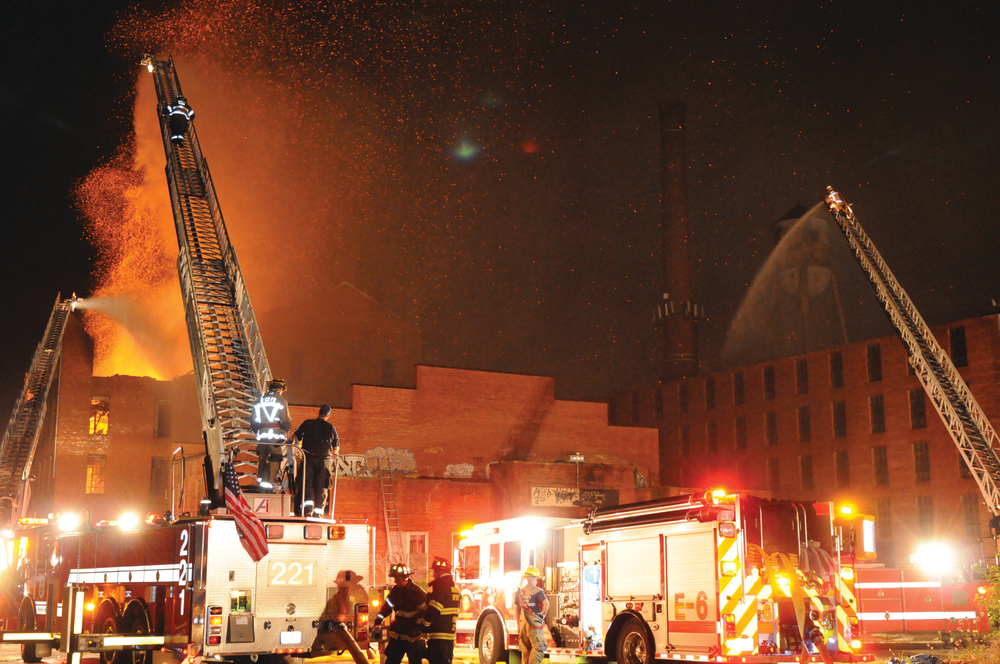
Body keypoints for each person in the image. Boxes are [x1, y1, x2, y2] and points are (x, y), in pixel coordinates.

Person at [289, 403, 339, 516]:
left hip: (308, 459)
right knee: (322, 486)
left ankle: (308, 509)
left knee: (307, 483)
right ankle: (318, 513)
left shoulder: (308, 423)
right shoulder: (331, 428)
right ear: (329, 415)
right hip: (324, 462)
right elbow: (336, 449)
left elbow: (293, 437)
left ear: (318, 412)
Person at [373, 564, 426, 664]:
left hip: (414, 636)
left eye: (396, 578)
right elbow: (387, 607)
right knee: (392, 661)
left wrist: (418, 627)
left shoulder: (417, 593)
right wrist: (378, 620)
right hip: (398, 634)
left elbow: (425, 612)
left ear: (404, 578)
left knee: (415, 662)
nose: (395, 581)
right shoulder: (395, 592)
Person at [251, 379, 291, 490]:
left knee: (262, 459)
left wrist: (258, 431)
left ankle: (261, 484)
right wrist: (285, 431)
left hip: (262, 437)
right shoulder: (281, 401)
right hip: (275, 437)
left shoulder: (260, 400)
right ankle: (268, 485)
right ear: (280, 389)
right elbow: (286, 421)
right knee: (274, 458)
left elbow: (253, 421)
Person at [420, 557, 460, 664]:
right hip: (449, 637)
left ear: (440, 572)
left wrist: (423, 625)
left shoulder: (441, 587)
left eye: (435, 571)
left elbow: (434, 610)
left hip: (438, 637)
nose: (433, 575)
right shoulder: (454, 588)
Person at [516, 567, 548, 664]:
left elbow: (516, 608)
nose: (536, 581)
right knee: (538, 647)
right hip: (534, 625)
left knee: (525, 650)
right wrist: (543, 614)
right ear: (533, 579)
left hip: (523, 625)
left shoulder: (519, 591)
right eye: (536, 579)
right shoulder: (538, 591)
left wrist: (518, 624)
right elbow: (546, 603)